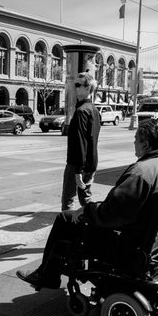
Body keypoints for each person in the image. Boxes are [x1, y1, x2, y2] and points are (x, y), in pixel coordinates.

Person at [17, 119, 158, 289]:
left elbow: (111, 214)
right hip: (157, 239)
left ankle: (47, 275)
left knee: (65, 219)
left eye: (135, 140)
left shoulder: (142, 172)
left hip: (129, 245)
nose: (134, 143)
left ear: (145, 145)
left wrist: (86, 210)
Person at [61, 71, 100, 211]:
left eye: (78, 85)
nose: (75, 88)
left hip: (77, 164)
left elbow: (80, 143)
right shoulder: (94, 110)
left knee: (68, 199)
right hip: (91, 162)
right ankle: (94, 222)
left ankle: (66, 228)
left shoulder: (81, 112)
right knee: (86, 198)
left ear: (88, 88)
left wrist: (78, 172)